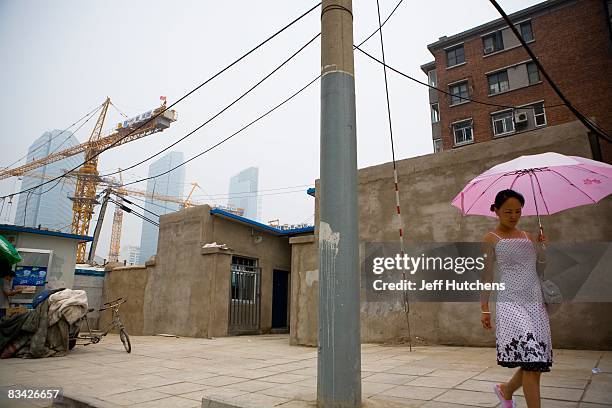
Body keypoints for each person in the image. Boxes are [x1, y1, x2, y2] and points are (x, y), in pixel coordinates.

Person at [481, 189, 552, 408]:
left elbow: (540, 270)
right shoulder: (491, 238)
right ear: (497, 211)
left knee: (536, 361)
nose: (513, 216)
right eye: (508, 211)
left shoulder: (528, 237)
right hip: (510, 303)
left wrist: (541, 248)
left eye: (518, 211)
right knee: (532, 360)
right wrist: (484, 308)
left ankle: (506, 390)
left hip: (534, 302)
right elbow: (486, 275)